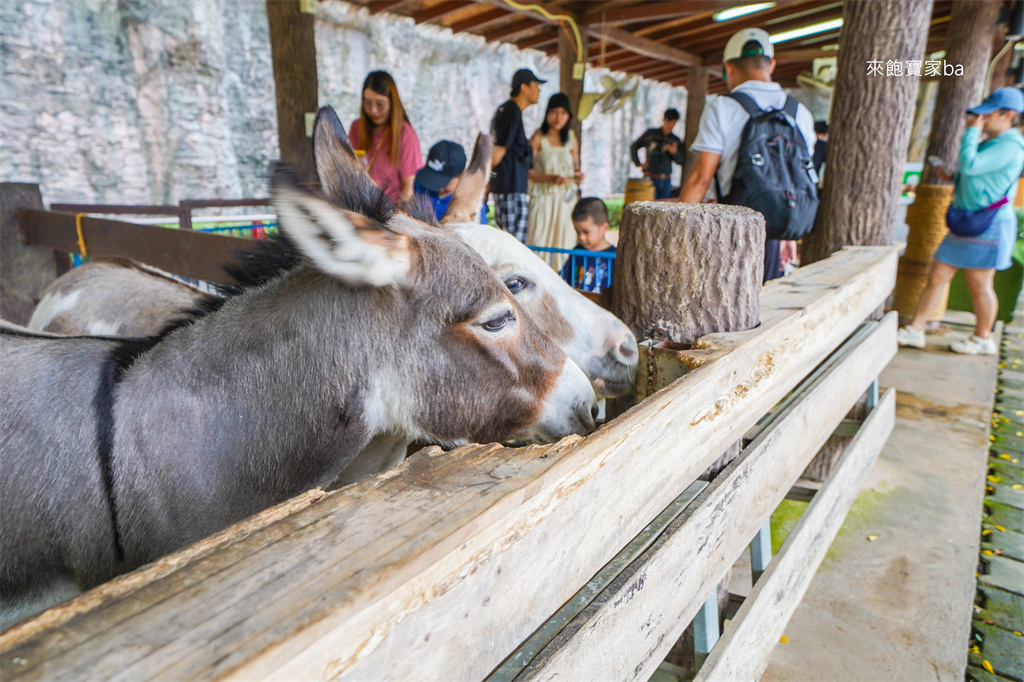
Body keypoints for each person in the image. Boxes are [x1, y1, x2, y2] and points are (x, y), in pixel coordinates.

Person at [678, 28, 817, 282]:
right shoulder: (800, 113)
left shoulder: (722, 107)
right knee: (762, 305)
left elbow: (700, 178)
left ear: (728, 68)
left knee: (724, 304)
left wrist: (676, 231)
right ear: (771, 64)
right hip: (774, 231)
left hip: (729, 228)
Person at [897, 87, 1024, 356]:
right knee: (937, 276)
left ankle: (982, 338)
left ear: (1008, 115)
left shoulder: (1012, 146)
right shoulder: (994, 142)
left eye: (987, 116)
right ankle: (916, 329)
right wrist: (951, 176)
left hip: (988, 225)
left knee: (979, 284)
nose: (982, 120)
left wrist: (971, 132)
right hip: (967, 221)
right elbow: (974, 176)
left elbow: (972, 166)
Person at [349, 70, 423, 202]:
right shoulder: (356, 128)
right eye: (367, 103)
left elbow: (409, 190)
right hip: (359, 208)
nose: (373, 110)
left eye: (380, 104)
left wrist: (393, 219)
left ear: (392, 103)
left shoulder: (405, 134)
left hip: (388, 214)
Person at [491, 68, 545, 243]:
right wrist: (484, 182)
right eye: (536, 85)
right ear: (524, 87)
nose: (539, 90)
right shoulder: (511, 111)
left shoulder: (508, 110)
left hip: (510, 188)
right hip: (510, 190)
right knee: (513, 246)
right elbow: (497, 151)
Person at [527, 92, 583, 252]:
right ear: (547, 113)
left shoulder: (571, 138)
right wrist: (550, 178)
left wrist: (579, 176)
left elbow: (576, 167)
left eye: (563, 113)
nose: (558, 117)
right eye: (554, 112)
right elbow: (527, 172)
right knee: (539, 239)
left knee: (565, 240)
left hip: (566, 200)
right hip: (543, 198)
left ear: (568, 116)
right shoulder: (538, 138)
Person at [413, 140, 487, 224]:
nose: (437, 187)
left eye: (444, 183)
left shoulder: (471, 201)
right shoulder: (418, 181)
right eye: (430, 179)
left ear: (461, 176)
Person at [561, 197, 616, 293]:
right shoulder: (576, 252)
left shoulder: (616, 257)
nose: (581, 237)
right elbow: (563, 278)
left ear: (604, 228)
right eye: (577, 232)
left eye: (586, 232)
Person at [630, 108, 686, 199]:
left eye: (673, 122)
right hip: (650, 178)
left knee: (664, 208)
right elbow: (634, 146)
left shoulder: (675, 140)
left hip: (666, 180)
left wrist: (674, 153)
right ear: (664, 120)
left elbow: (681, 161)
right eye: (669, 121)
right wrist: (638, 163)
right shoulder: (651, 134)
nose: (670, 125)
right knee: (649, 206)